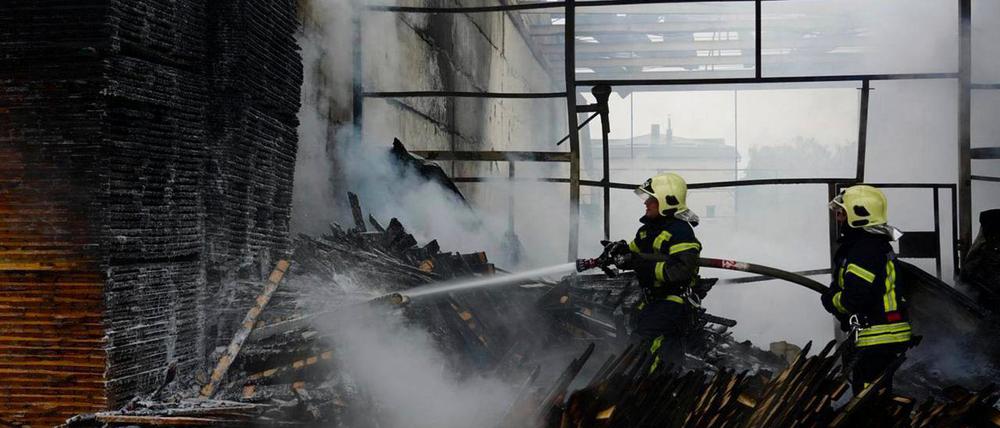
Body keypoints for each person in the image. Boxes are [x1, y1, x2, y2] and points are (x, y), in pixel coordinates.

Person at [604, 173, 702, 373]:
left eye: (651, 199)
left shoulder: (680, 231)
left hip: (673, 303)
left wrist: (644, 267)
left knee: (643, 344)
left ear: (667, 201)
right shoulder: (647, 230)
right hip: (655, 301)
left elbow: (683, 270)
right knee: (667, 352)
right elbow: (634, 252)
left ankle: (640, 384)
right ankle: (668, 389)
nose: (646, 203)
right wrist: (618, 251)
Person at [821, 185, 912, 393]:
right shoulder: (867, 245)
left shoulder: (865, 249)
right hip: (881, 336)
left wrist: (830, 299)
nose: (838, 217)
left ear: (859, 215)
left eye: (843, 212)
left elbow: (855, 298)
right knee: (873, 399)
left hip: (878, 338)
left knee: (869, 404)